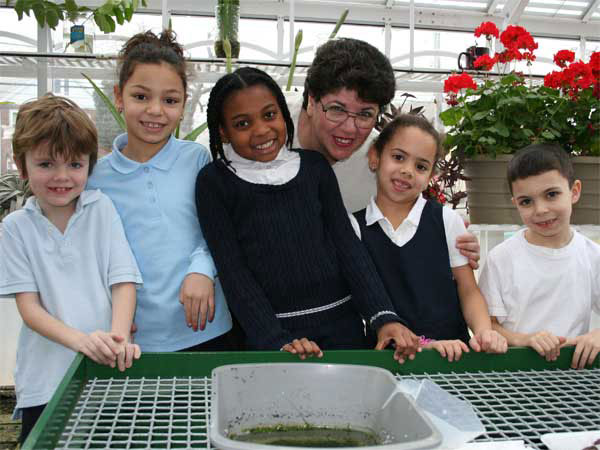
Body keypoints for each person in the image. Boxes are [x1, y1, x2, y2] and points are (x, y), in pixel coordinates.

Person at [195, 67, 420, 362]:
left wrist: (383, 317)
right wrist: (275, 341)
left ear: (283, 113)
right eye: (242, 123)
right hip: (273, 339)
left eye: (269, 115)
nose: (261, 130)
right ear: (222, 131)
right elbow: (233, 272)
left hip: (344, 330)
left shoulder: (314, 168)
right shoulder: (214, 182)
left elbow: (347, 247)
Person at [0, 94, 142, 444]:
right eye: (46, 164)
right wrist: (82, 342)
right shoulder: (16, 227)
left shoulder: (101, 209)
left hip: (105, 374)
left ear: (90, 166)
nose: (62, 177)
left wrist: (117, 338)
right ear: (22, 165)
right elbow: (30, 309)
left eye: (75, 165)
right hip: (45, 381)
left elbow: (122, 280)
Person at [87, 30, 235, 352]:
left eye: (169, 100)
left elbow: (220, 227)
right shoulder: (95, 178)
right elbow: (91, 255)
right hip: (137, 341)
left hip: (208, 330)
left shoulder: (196, 159)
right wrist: (108, 312)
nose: (155, 110)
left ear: (183, 105)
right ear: (118, 96)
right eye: (141, 96)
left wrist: (202, 269)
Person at [289, 38, 481, 268]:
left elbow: (413, 223)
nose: (350, 128)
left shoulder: (380, 162)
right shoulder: (266, 129)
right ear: (311, 100)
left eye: (365, 114)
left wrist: (455, 242)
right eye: (337, 110)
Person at [349, 114, 507, 361]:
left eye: (420, 166)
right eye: (398, 157)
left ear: (431, 175)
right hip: (386, 363)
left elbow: (468, 289)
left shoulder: (446, 220)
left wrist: (484, 332)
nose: (407, 171)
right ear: (374, 157)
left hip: (452, 359)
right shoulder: (354, 227)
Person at [479, 143, 600, 369]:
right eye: (527, 201)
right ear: (515, 204)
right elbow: (488, 326)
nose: (541, 210)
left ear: (574, 192)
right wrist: (524, 340)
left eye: (551, 194)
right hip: (512, 377)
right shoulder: (501, 258)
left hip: (574, 380)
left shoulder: (592, 256)